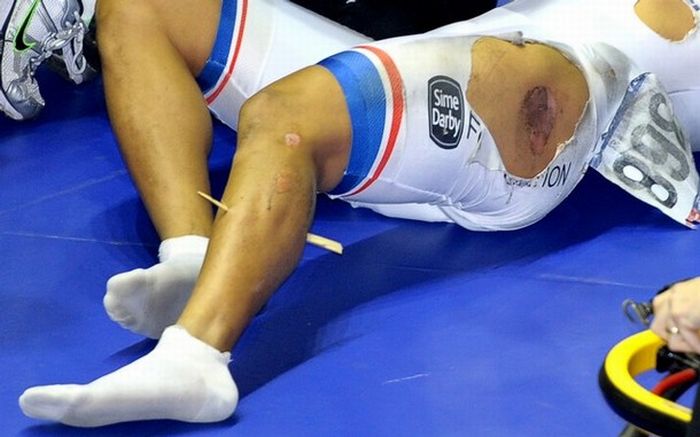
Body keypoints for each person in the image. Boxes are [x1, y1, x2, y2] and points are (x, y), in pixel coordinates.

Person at [18, 0, 700, 427]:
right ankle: (194, 257)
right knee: (141, 4)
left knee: (285, 118)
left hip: (542, 104)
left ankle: (195, 358)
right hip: (451, 69)